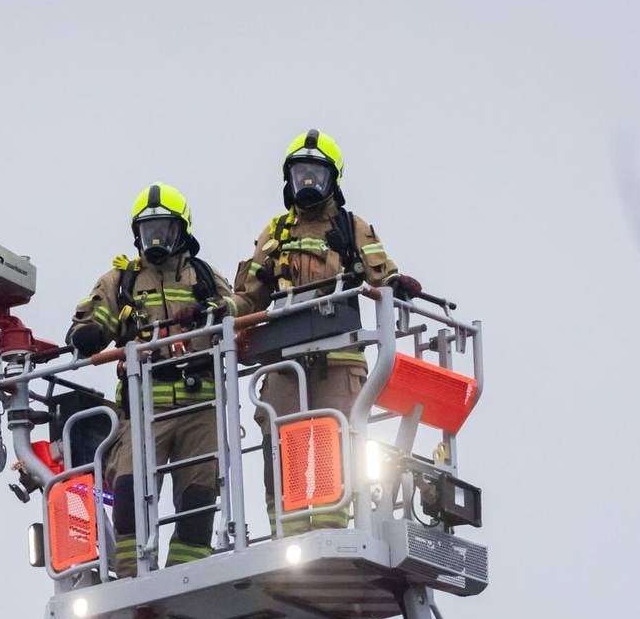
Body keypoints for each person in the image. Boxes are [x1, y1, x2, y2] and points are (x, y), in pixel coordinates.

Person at [232, 128, 422, 535]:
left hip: (339, 362)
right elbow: (248, 298)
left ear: (333, 177)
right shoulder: (276, 234)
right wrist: (221, 312)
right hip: (284, 364)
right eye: (300, 173)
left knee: (335, 449)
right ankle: (290, 536)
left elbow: (381, 273)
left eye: (315, 174)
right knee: (282, 451)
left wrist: (397, 284)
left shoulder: (353, 229)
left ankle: (334, 533)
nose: (307, 183)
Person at [68, 183, 236, 577]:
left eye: (163, 230)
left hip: (202, 407)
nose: (155, 239)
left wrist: (216, 308)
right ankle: (133, 576)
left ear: (182, 231)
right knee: (128, 495)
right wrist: (87, 334)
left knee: (198, 498)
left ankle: (186, 575)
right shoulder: (121, 281)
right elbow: (91, 321)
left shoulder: (206, 278)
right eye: (148, 231)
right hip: (144, 409)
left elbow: (238, 308)